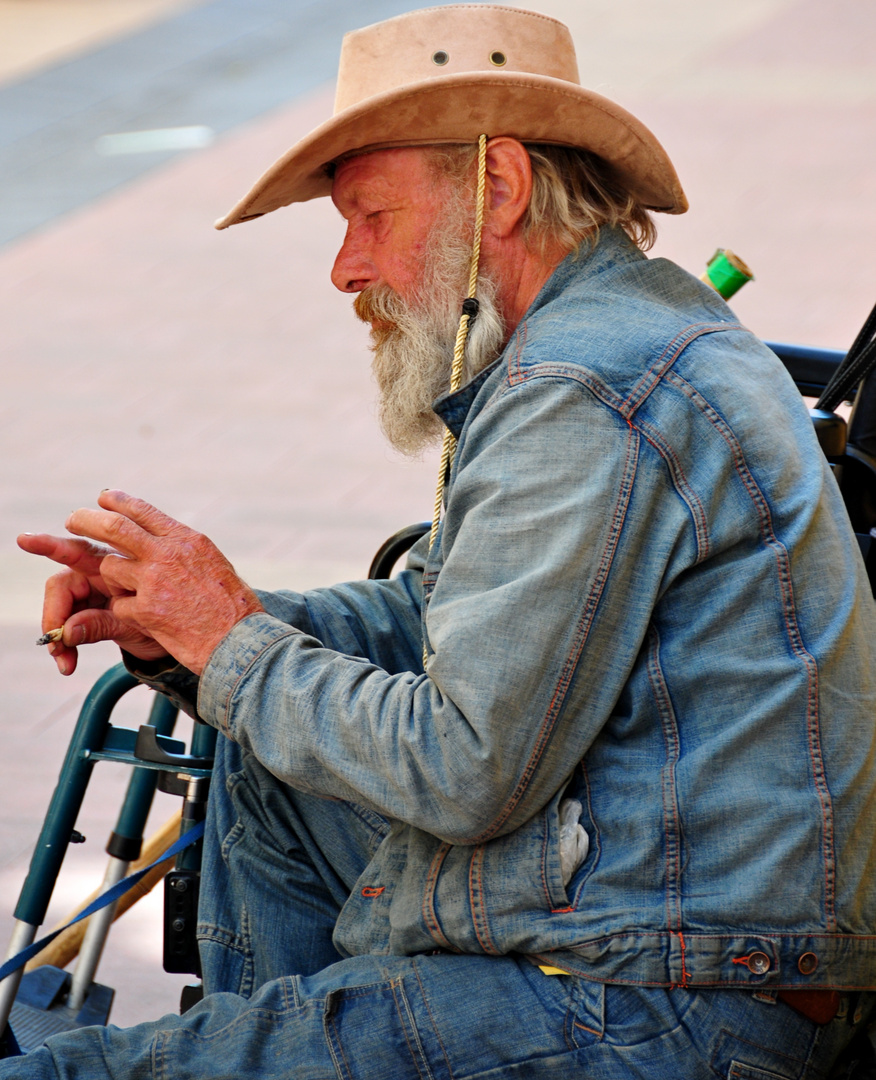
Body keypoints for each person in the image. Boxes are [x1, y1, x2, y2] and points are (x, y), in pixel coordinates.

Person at [7, 5, 876, 1078]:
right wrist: (187, 626)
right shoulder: (604, 332)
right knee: (277, 758)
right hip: (648, 917)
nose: (344, 267)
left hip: (664, 995)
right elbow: (433, 621)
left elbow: (465, 769)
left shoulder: (585, 387)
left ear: (499, 187)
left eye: (368, 216)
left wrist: (232, 641)